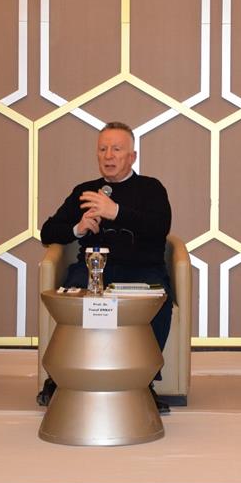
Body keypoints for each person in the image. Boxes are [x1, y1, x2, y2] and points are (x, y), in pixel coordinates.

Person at [39, 122, 173, 413]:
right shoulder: (85, 191)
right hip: (93, 269)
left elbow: (159, 227)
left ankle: (144, 383)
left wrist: (115, 211)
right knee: (73, 299)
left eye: (116, 149)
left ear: (132, 156)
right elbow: (47, 232)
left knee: (160, 301)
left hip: (141, 270)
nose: (108, 155)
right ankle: (63, 379)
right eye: (102, 149)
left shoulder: (151, 188)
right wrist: (77, 228)